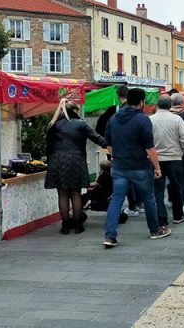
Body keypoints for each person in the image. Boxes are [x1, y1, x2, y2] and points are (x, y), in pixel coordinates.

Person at [104, 88, 171, 248]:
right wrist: (157, 168)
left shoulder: (113, 119)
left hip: (119, 166)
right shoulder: (142, 120)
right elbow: (150, 148)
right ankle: (155, 230)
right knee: (148, 198)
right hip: (139, 166)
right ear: (141, 102)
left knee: (117, 200)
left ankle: (110, 236)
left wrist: (116, 157)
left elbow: (109, 145)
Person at [45, 99, 107, 235]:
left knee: (62, 193)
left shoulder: (53, 124)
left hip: (57, 160)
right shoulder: (81, 124)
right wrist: (111, 145)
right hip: (76, 160)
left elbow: (48, 147)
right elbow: (97, 138)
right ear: (75, 111)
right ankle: (78, 225)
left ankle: (65, 225)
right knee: (75, 192)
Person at [95, 85, 143, 217]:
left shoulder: (113, 111)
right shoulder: (138, 111)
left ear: (117, 96)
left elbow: (100, 128)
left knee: (124, 179)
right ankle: (139, 203)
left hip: (117, 151)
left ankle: (132, 205)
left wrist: (108, 144)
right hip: (136, 151)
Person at [151, 94, 184, 225]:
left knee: (158, 190)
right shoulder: (177, 119)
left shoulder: (150, 120)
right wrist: (181, 150)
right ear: (170, 105)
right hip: (174, 158)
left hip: (156, 159)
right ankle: (178, 215)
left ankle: (161, 218)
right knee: (176, 187)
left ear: (157, 105)